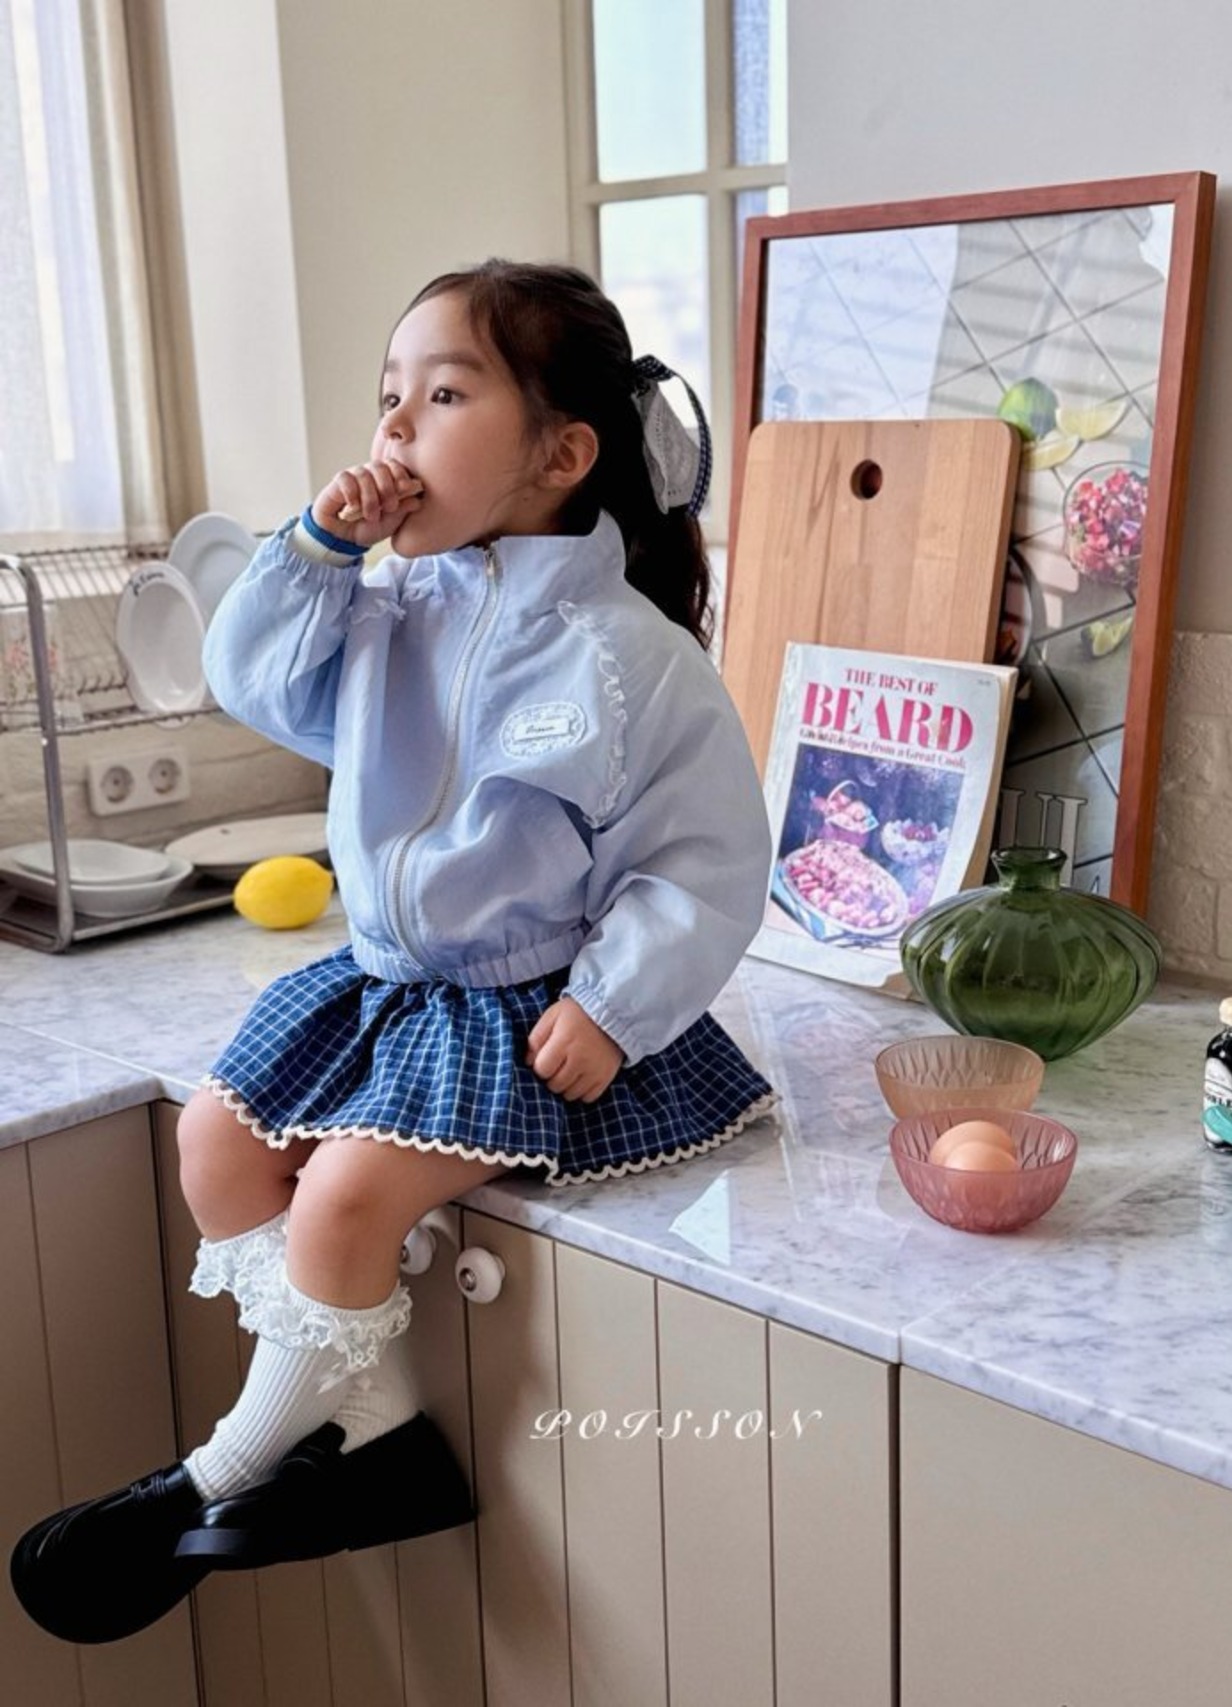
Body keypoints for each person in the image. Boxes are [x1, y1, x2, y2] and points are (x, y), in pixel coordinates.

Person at [10, 260, 777, 1645]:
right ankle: (372, 1432)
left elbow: (707, 859)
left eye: (444, 395)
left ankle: (229, 1466)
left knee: (346, 1199)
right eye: (388, 398)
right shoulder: (380, 607)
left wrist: (614, 1005)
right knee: (215, 1143)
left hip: (531, 1007)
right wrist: (312, 548)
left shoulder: (628, 657)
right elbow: (246, 677)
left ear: (561, 455)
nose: (397, 427)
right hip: (386, 987)